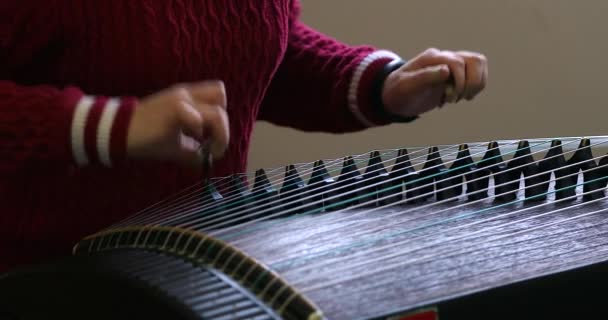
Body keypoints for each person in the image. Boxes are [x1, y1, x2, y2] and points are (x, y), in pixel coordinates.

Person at [0, 1, 487, 273]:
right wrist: (108, 127)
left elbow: (261, 50)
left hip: (192, 265)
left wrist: (383, 86)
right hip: (39, 276)